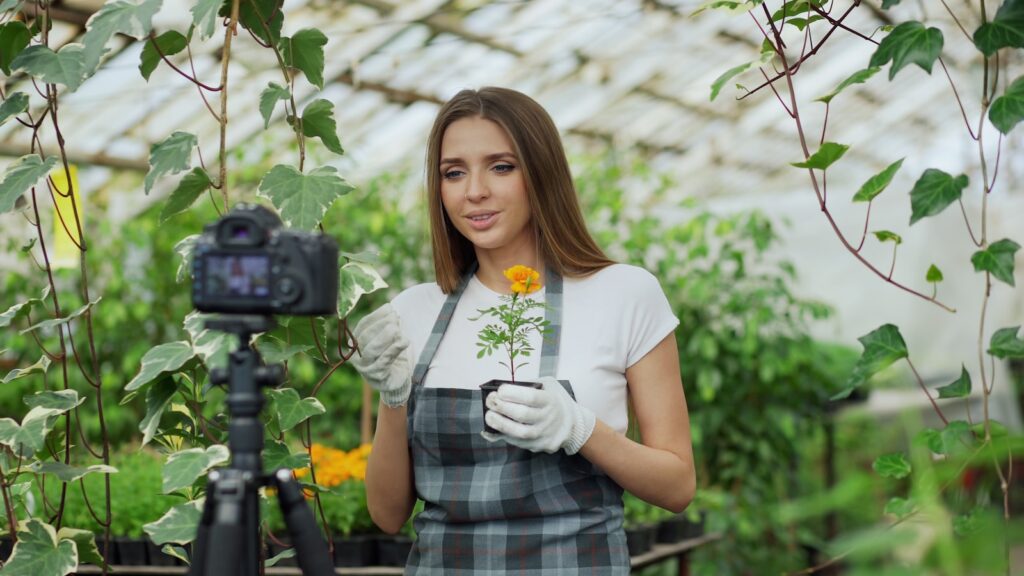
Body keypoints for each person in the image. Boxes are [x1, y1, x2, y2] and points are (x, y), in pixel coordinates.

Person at [350, 86, 695, 575]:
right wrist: (392, 399)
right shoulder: (415, 311)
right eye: (453, 172)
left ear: (541, 173)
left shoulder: (624, 294)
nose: (474, 191)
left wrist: (580, 430)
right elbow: (387, 516)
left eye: (501, 166)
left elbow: (678, 487)